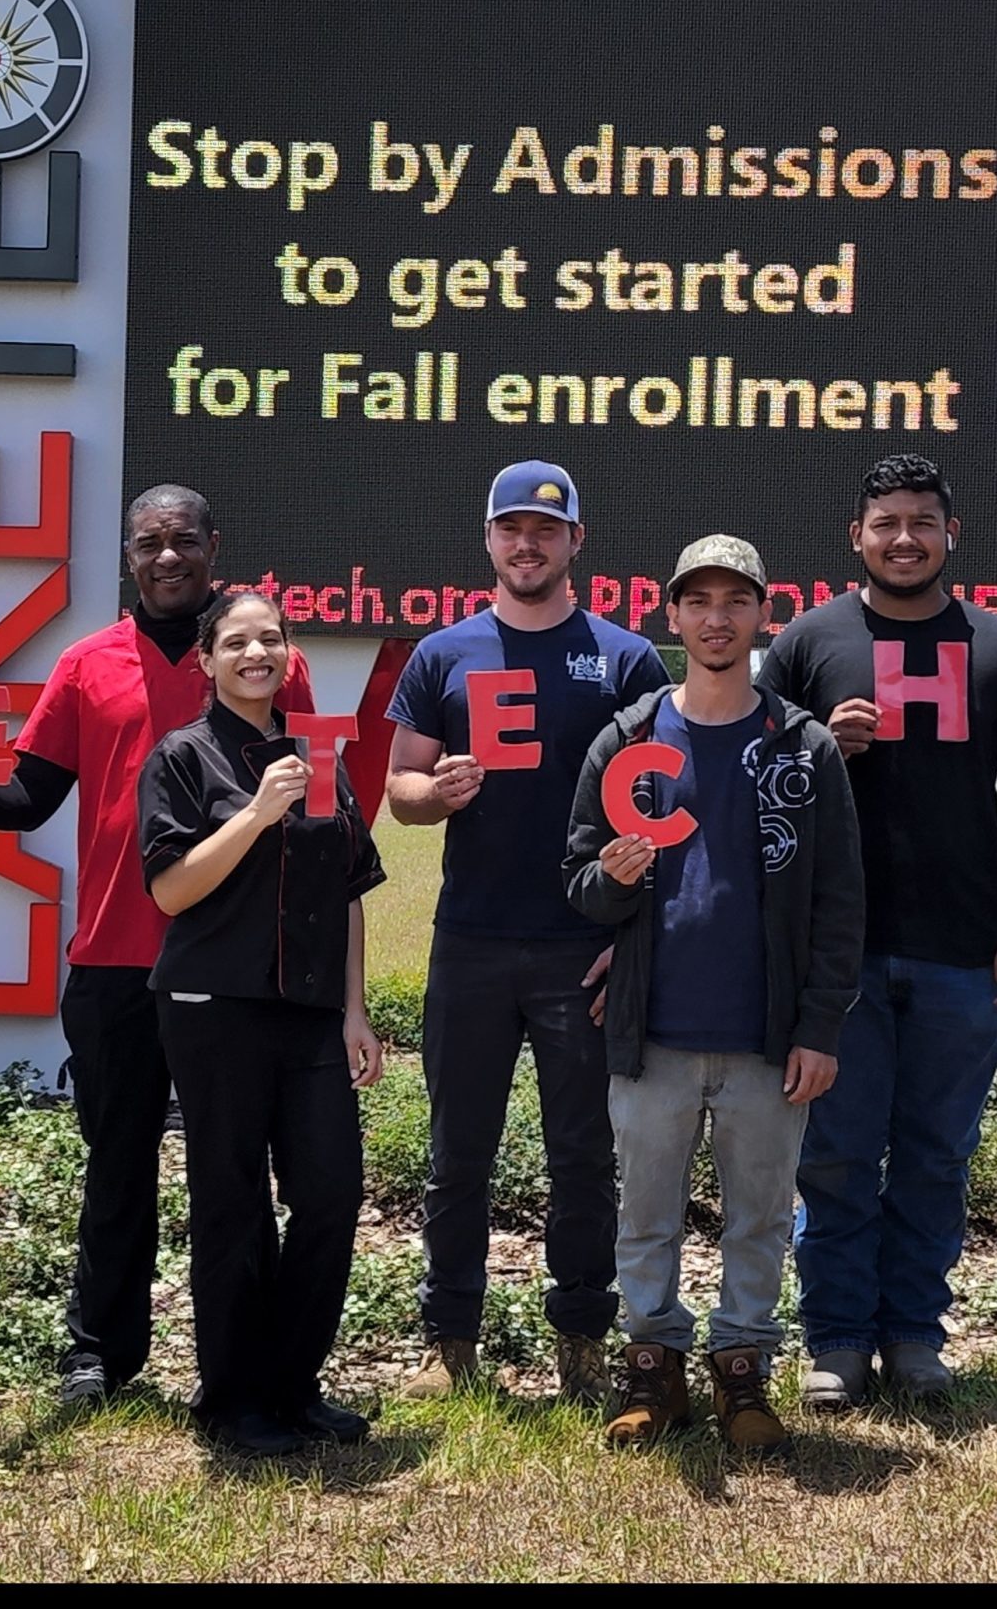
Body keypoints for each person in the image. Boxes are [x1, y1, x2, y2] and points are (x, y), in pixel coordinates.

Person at [0, 483, 315, 1410]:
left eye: (182, 541)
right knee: (119, 1163)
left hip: (235, 963)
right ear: (127, 555)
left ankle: (243, 1363)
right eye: (147, 543)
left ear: (215, 545)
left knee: (237, 1175)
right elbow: (29, 800)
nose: (166, 557)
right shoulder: (87, 664)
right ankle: (100, 1355)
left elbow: (309, 804)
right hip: (115, 960)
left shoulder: (267, 664)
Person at [758, 454, 997, 1408]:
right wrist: (818, 746)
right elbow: (753, 784)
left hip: (962, 949)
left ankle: (914, 1336)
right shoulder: (807, 642)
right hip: (836, 955)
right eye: (885, 520)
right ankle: (840, 1339)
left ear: (951, 535)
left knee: (938, 1153)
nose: (904, 537)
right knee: (839, 1156)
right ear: (855, 535)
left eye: (922, 522)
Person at [563, 536, 863, 1454]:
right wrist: (613, 881)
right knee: (645, 1217)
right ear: (673, 615)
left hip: (767, 1038)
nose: (718, 618)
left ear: (764, 615)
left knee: (761, 1220)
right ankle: (654, 1373)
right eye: (699, 601)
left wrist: (818, 1026)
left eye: (737, 601)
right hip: (653, 1030)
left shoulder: (803, 746)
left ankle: (742, 1375)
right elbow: (579, 883)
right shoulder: (628, 738)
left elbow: (840, 903)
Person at [383, 460, 668, 1403]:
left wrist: (626, 928)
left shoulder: (626, 658)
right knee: (458, 1150)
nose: (527, 543)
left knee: (583, 1154)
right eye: (511, 528)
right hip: (469, 937)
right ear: (489, 541)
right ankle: (449, 1340)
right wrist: (437, 793)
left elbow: (661, 804)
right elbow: (401, 790)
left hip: (579, 945)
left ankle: (581, 1338)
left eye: (546, 530)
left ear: (576, 542)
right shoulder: (442, 654)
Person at [139, 589, 388, 1456]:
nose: (257, 653)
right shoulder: (183, 756)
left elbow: (351, 890)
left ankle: (293, 1383)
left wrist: (355, 1011)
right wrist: (254, 813)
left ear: (290, 656)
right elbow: (171, 889)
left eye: (271, 639)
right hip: (215, 1011)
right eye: (236, 642)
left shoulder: (319, 754)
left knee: (330, 1194)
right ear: (205, 661)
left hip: (312, 1013)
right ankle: (234, 1397)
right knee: (232, 1205)